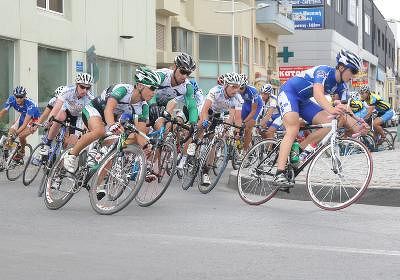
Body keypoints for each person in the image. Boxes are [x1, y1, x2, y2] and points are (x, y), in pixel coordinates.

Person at [275, 49, 363, 185]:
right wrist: (333, 109)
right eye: (353, 71)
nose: (354, 75)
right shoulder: (323, 71)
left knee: (336, 121)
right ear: (341, 67)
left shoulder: (343, 87)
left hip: (303, 101)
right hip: (289, 93)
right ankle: (279, 173)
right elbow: (318, 94)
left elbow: (346, 109)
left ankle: (298, 149)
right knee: (293, 129)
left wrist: (359, 123)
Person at [63, 66, 161, 173]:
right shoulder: (123, 90)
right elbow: (108, 109)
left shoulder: (144, 106)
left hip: (110, 119)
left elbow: (140, 132)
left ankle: (98, 185)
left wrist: (146, 145)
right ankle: (71, 155)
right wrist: (112, 125)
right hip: (95, 110)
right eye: (152, 88)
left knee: (117, 144)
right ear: (140, 85)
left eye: (156, 89)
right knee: (99, 131)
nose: (154, 92)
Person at [198, 72, 243, 185]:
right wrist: (204, 121)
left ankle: (205, 172)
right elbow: (204, 110)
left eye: (238, 87)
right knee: (200, 127)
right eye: (233, 86)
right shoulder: (215, 91)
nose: (236, 90)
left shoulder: (237, 98)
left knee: (213, 141)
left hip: (219, 114)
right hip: (208, 110)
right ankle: (194, 145)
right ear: (226, 85)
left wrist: (238, 131)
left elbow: (237, 119)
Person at [40, 73, 94, 156]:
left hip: (78, 117)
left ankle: (62, 161)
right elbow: (57, 106)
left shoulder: (89, 98)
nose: (84, 90)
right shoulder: (68, 90)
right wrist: (50, 119)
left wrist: (85, 128)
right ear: (77, 85)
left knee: (72, 143)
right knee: (59, 117)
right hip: (66, 111)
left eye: (88, 88)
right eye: (82, 87)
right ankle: (47, 144)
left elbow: (88, 116)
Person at [148, 52, 198, 129]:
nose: (184, 76)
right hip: (146, 102)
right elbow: (149, 89)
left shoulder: (187, 87)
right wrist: (152, 104)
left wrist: (193, 122)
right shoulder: (162, 75)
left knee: (168, 127)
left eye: (188, 73)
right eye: (182, 71)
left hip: (163, 108)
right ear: (174, 67)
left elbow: (192, 107)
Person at [0, 86, 41, 161]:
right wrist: (12, 135)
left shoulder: (30, 105)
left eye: (21, 97)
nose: (18, 99)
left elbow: (25, 124)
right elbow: (3, 111)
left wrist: (16, 134)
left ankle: (22, 151)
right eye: (17, 97)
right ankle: (8, 155)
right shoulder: (11, 99)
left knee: (21, 136)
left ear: (25, 96)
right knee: (11, 132)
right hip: (23, 115)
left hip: (34, 119)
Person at [238, 73, 263, 152]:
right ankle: (244, 143)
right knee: (239, 125)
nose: (239, 90)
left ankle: (245, 152)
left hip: (256, 106)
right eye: (238, 88)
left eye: (241, 88)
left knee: (248, 128)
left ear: (245, 86)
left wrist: (244, 122)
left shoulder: (252, 91)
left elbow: (253, 111)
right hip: (246, 104)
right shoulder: (236, 90)